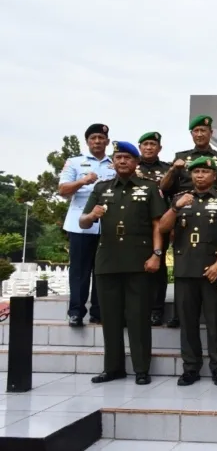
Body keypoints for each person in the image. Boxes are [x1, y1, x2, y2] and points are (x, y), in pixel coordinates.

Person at [79, 141, 165, 385]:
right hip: (108, 261)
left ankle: (141, 369)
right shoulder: (101, 188)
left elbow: (158, 224)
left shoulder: (149, 188)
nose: (123, 161)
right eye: (118, 158)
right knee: (111, 318)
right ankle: (113, 368)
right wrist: (91, 215)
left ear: (136, 162)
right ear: (113, 162)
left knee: (138, 318)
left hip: (139, 261)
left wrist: (156, 254)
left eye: (128, 157)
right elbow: (83, 222)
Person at [158, 156, 217, 387]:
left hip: (212, 269)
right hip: (185, 269)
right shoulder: (180, 199)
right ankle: (190, 368)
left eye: (205, 172)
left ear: (214, 176)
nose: (200, 175)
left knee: (215, 321)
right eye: (196, 171)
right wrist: (175, 208)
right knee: (188, 322)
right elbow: (162, 227)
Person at [59, 123, 115, 327]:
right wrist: (83, 181)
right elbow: (63, 190)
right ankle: (76, 311)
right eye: (94, 138)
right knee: (80, 271)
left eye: (101, 138)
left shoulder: (115, 164)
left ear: (107, 142)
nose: (98, 141)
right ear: (87, 141)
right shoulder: (74, 162)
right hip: (80, 225)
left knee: (103, 270)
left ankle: (99, 312)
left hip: (108, 225)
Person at [136, 131, 175, 328]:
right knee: (135, 266)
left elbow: (175, 194)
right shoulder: (131, 166)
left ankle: (156, 310)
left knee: (157, 264)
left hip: (160, 222)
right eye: (145, 144)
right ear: (139, 147)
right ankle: (137, 308)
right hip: (136, 223)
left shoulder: (168, 169)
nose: (149, 147)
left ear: (159, 148)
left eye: (153, 144)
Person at [160, 115, 217, 195]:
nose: (199, 134)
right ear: (192, 134)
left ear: (211, 133)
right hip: (185, 202)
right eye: (196, 131)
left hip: (213, 203)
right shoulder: (181, 157)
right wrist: (172, 169)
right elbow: (163, 187)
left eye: (203, 130)